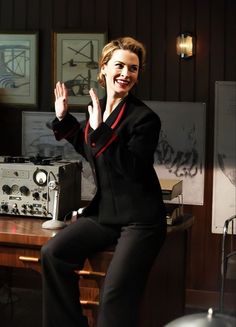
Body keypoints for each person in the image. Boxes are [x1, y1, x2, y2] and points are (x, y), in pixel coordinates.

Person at [41, 36, 167, 327]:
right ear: (104, 68)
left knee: (113, 297)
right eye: (120, 66)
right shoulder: (97, 109)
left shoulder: (145, 118)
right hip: (106, 214)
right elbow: (91, 150)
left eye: (133, 68)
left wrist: (99, 131)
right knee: (52, 254)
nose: (126, 74)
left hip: (141, 220)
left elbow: (132, 169)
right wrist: (64, 119)